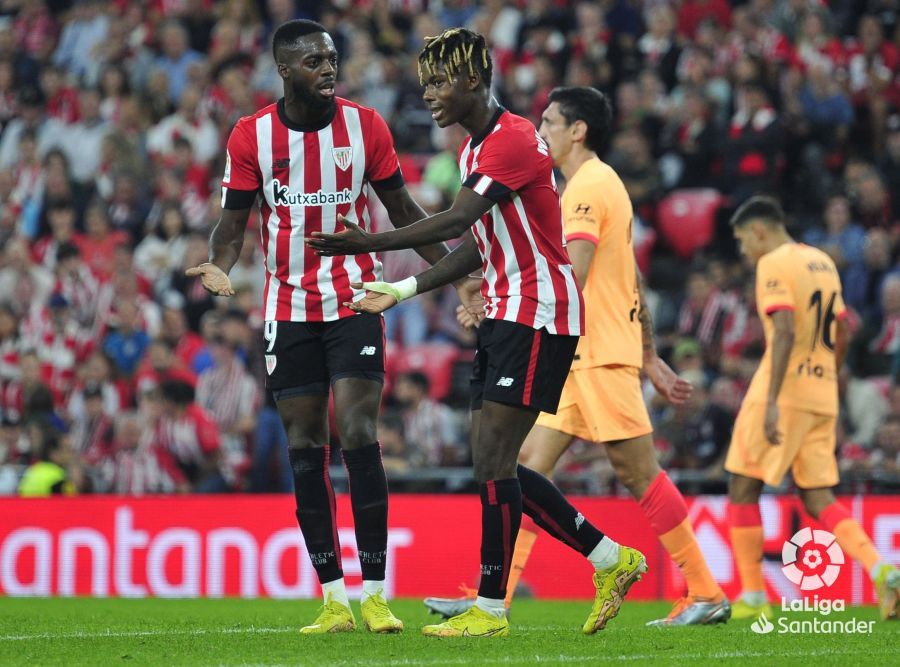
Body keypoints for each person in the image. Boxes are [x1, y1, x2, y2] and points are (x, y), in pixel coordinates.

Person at [307, 28, 647, 639]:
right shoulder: (474, 150)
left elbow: (459, 218)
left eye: (438, 82)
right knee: (492, 465)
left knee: (494, 463)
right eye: (424, 83)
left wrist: (369, 242)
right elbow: (476, 246)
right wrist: (404, 289)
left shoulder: (512, 140)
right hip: (507, 310)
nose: (428, 94)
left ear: (471, 80)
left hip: (541, 312)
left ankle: (493, 611)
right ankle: (607, 560)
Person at [185, 19, 473, 634]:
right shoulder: (251, 136)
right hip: (287, 310)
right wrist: (218, 265)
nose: (328, 68)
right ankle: (333, 599)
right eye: (314, 60)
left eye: (332, 58)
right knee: (305, 446)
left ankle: (375, 592)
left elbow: (401, 209)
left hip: (354, 301)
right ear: (285, 69)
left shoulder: (365, 126)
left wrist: (455, 271)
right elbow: (233, 227)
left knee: (360, 430)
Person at [421, 87, 731, 627]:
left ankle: (705, 592)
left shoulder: (588, 186)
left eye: (550, 121)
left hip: (593, 352)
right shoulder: (585, 186)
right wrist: (651, 352)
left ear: (578, 130)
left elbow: (575, 271)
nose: (540, 131)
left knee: (638, 473)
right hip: (581, 352)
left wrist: (497, 303)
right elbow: (629, 273)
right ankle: (493, 597)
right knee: (517, 469)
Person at [724, 196, 900, 622]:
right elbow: (842, 328)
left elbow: (782, 331)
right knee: (818, 495)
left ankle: (751, 594)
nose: (744, 252)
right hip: (821, 391)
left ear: (760, 230)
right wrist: (828, 376)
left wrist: (770, 401)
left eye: (743, 241)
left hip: (782, 391)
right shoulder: (822, 261)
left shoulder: (773, 263)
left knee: (742, 485)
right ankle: (882, 571)